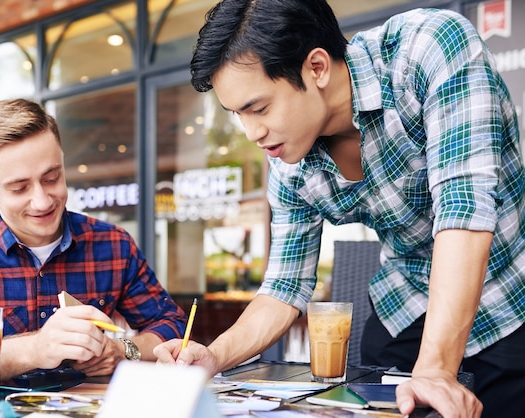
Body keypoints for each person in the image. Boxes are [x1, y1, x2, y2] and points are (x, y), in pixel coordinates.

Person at [154, 1, 525, 417]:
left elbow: (464, 209)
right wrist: (215, 355)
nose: (253, 132)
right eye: (238, 115)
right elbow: (284, 287)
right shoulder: (289, 160)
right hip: (405, 305)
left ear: (316, 68)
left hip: (509, 296)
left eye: (258, 109)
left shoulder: (429, 48)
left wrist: (436, 370)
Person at [0, 98, 187, 390]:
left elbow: (173, 326)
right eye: (20, 188)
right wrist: (36, 349)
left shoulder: (112, 244)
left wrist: (124, 350)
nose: (42, 201)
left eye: (52, 178)